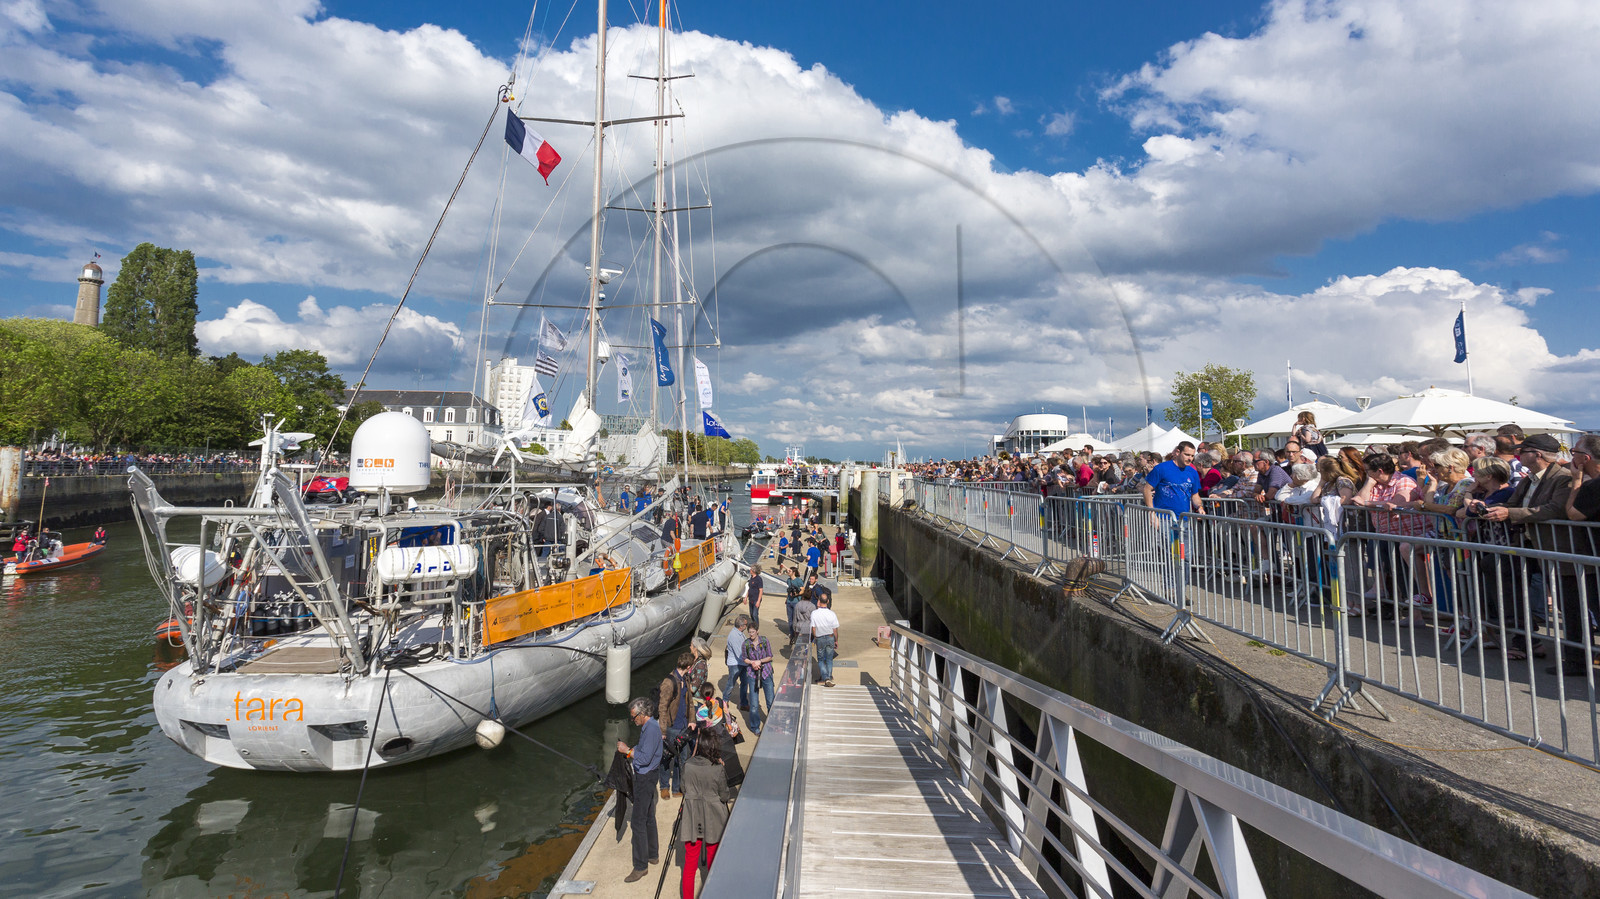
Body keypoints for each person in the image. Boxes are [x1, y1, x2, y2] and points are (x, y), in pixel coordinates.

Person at [679, 729, 732, 899]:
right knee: (712, 861)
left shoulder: (688, 765)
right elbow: (725, 796)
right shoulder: (717, 768)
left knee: (689, 865)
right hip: (713, 817)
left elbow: (683, 789)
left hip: (693, 815)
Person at [617, 696, 662, 882]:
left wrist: (627, 751)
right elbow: (643, 749)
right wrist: (631, 748)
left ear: (643, 714)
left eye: (634, 716)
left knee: (637, 822)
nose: (632, 719)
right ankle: (652, 854)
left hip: (645, 779)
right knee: (649, 816)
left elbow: (643, 758)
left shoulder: (651, 729)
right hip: (648, 777)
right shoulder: (649, 727)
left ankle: (640, 866)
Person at [656, 652, 695, 799]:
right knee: (667, 757)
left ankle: (677, 787)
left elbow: (690, 702)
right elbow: (662, 707)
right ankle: (664, 786)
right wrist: (663, 730)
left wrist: (692, 720)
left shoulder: (686, 678)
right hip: (671, 727)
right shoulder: (669, 682)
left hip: (684, 725)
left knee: (682, 758)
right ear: (688, 666)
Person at [1140, 441, 1203, 518]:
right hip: (1162, 518)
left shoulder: (1193, 472)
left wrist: (1199, 507)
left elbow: (1195, 495)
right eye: (1187, 455)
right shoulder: (1161, 468)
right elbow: (1147, 489)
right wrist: (1151, 513)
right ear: (1178, 452)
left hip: (1183, 518)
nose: (1190, 458)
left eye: (1192, 456)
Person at [741, 620, 775, 733]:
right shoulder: (746, 644)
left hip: (766, 672)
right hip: (752, 674)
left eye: (753, 632)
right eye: (749, 632)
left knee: (770, 701)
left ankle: (772, 724)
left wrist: (759, 661)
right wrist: (752, 663)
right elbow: (744, 658)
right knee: (754, 704)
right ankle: (755, 727)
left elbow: (770, 656)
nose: (751, 634)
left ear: (757, 631)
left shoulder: (764, 641)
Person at [811, 595, 841, 687]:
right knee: (829, 659)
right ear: (828, 601)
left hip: (820, 638)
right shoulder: (832, 614)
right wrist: (836, 640)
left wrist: (815, 637)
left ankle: (825, 677)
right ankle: (829, 677)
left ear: (819, 601)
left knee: (820, 659)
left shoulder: (814, 613)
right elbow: (835, 629)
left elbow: (813, 628)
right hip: (830, 637)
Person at [722, 614, 750, 709]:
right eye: (745, 625)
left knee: (744, 683)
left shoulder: (740, 633)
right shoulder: (734, 636)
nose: (746, 626)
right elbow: (739, 653)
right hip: (735, 664)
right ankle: (725, 701)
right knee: (731, 684)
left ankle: (744, 703)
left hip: (742, 663)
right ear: (741, 626)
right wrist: (750, 661)